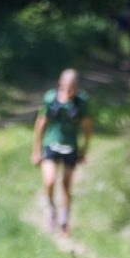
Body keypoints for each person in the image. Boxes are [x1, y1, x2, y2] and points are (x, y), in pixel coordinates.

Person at [31, 69, 93, 235]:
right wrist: (36, 150)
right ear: (61, 84)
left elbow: (87, 127)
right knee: (49, 181)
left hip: (70, 147)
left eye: (73, 88)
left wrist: (85, 150)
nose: (70, 91)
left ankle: (65, 220)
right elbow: (40, 124)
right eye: (67, 87)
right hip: (50, 145)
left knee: (66, 184)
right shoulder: (51, 99)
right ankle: (51, 210)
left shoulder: (81, 102)